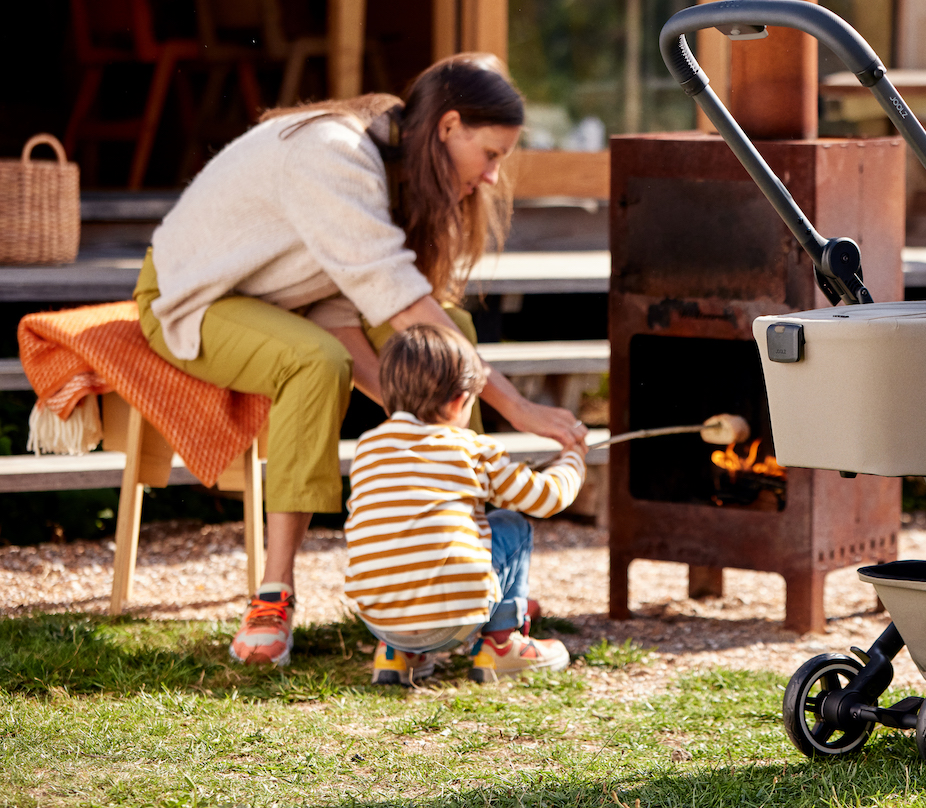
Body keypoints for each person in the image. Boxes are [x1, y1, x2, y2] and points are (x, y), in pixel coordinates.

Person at [134, 53, 588, 666]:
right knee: (315, 361)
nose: (491, 177)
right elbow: (395, 304)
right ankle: (273, 597)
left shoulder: (398, 165)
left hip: (295, 293)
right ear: (449, 127)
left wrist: (420, 414)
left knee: (446, 328)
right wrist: (518, 408)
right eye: (492, 155)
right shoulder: (336, 155)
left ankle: (474, 589)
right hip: (197, 293)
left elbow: (355, 307)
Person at [347, 324, 584, 685]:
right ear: (460, 401)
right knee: (510, 524)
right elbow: (547, 497)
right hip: (453, 619)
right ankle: (502, 645)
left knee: (406, 539)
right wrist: (573, 459)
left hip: (381, 622)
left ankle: (400, 655)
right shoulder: (470, 448)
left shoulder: (368, 448)